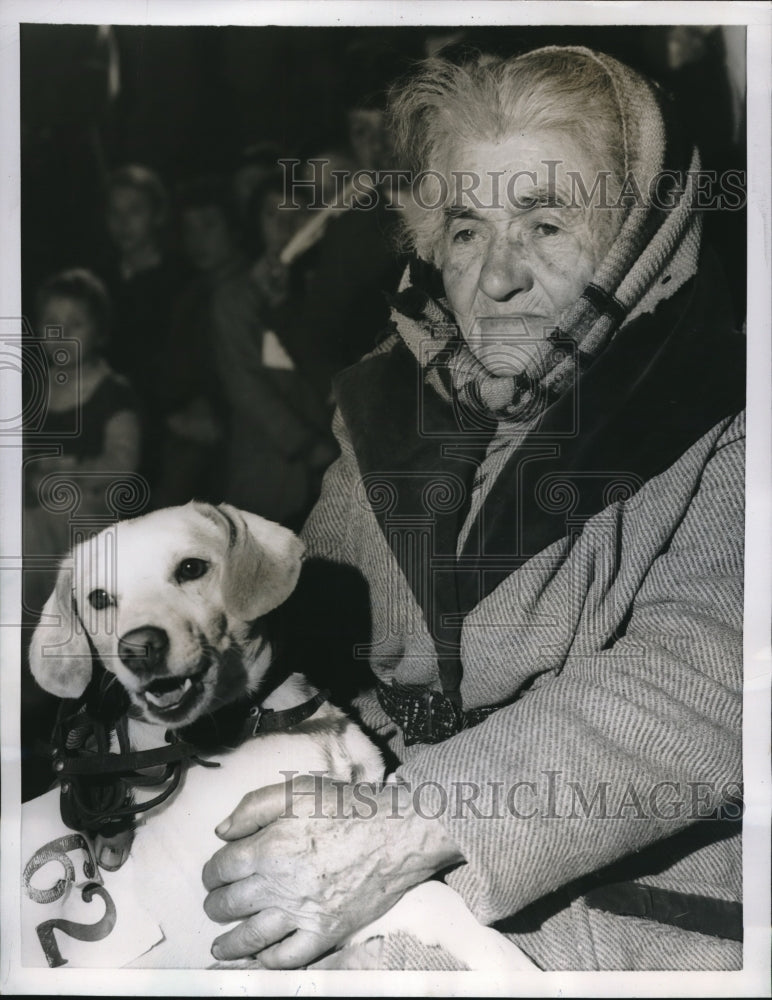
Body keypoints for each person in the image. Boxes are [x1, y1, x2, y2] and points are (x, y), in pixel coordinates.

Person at [200, 47, 745, 971]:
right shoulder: (387, 403)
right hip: (380, 852)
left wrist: (407, 831)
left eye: (545, 224)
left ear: (636, 236)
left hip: (631, 903)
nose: (496, 279)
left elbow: (701, 678)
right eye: (464, 230)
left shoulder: (723, 403)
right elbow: (322, 627)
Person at [98, 164, 181, 493]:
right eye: (114, 212)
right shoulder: (101, 280)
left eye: (135, 211)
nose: (123, 224)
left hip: (161, 416)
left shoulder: (177, 279)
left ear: (157, 215)